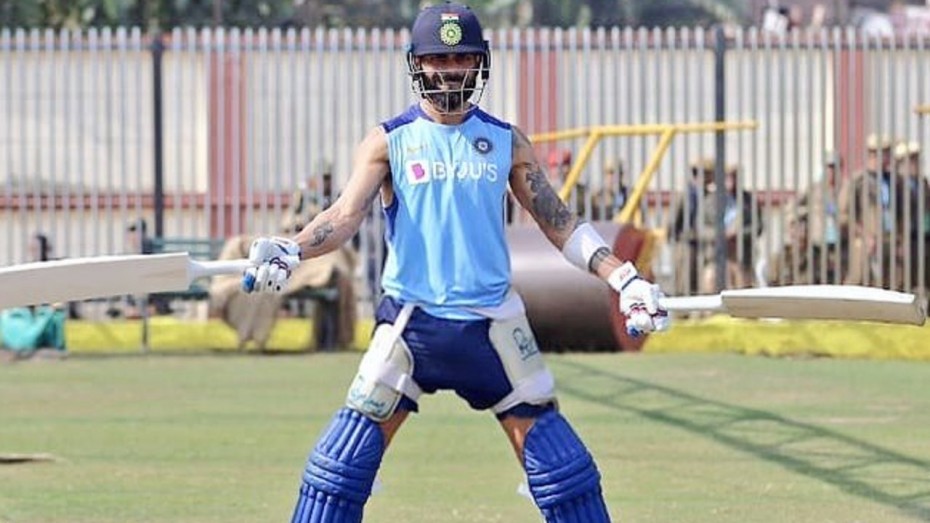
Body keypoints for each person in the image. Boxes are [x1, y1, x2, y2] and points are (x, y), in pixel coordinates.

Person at [239, 3, 670, 522]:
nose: (450, 69)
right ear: (416, 64)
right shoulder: (388, 141)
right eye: (438, 58)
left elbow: (557, 220)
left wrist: (623, 277)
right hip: (411, 324)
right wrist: (293, 248)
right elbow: (344, 214)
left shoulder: (507, 142)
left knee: (566, 475)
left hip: (493, 325)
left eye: (462, 58)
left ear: (480, 64)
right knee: (337, 471)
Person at [0, 233, 67, 361]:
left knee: (53, 313)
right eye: (32, 247)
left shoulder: (54, 267)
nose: (34, 250)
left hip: (48, 307)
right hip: (29, 309)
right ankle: (18, 347)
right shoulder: (28, 268)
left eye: (37, 247)